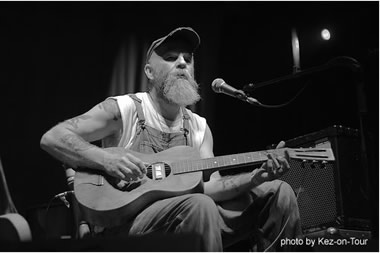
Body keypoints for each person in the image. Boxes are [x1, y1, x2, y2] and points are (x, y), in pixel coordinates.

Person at [40, 27, 302, 251]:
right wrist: (106, 159)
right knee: (200, 206)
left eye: (188, 59)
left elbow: (210, 188)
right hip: (125, 225)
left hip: (192, 214)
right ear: (149, 72)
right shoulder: (124, 109)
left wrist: (255, 177)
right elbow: (54, 138)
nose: (182, 63)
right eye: (171, 57)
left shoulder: (199, 127)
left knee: (280, 192)